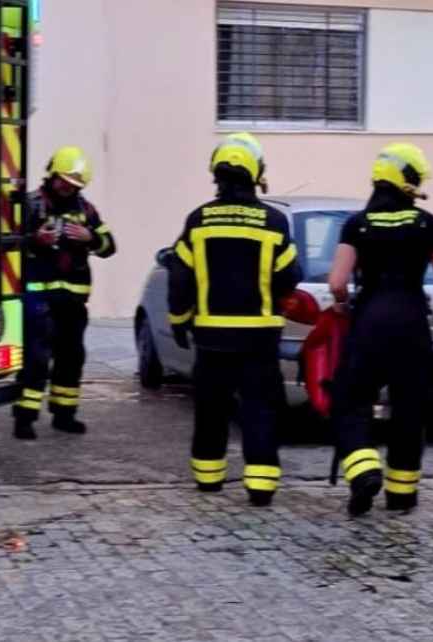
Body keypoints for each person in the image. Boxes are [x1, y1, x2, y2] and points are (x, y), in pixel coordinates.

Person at [327, 143, 433, 516]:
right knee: (410, 412)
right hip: (412, 327)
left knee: (350, 402)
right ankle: (401, 496)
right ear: (407, 180)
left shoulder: (356, 223)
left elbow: (336, 282)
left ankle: (363, 472)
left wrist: (344, 305)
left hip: (368, 327)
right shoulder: (426, 223)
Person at [166, 132, 303, 507]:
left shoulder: (198, 220)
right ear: (255, 174)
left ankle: (209, 479)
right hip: (259, 339)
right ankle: (260, 487)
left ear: (218, 174)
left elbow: (179, 276)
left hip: (211, 339)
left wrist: (179, 320)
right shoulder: (273, 222)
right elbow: (291, 274)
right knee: (260, 408)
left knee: (211, 408)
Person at [13, 146, 116, 440]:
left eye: (74, 185)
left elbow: (110, 246)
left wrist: (91, 237)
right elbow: (11, 245)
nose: (67, 187)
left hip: (73, 301)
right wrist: (36, 240)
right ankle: (24, 419)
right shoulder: (31, 206)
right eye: (63, 181)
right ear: (52, 173)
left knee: (71, 358)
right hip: (38, 298)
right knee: (35, 359)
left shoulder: (87, 210)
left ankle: (65, 415)